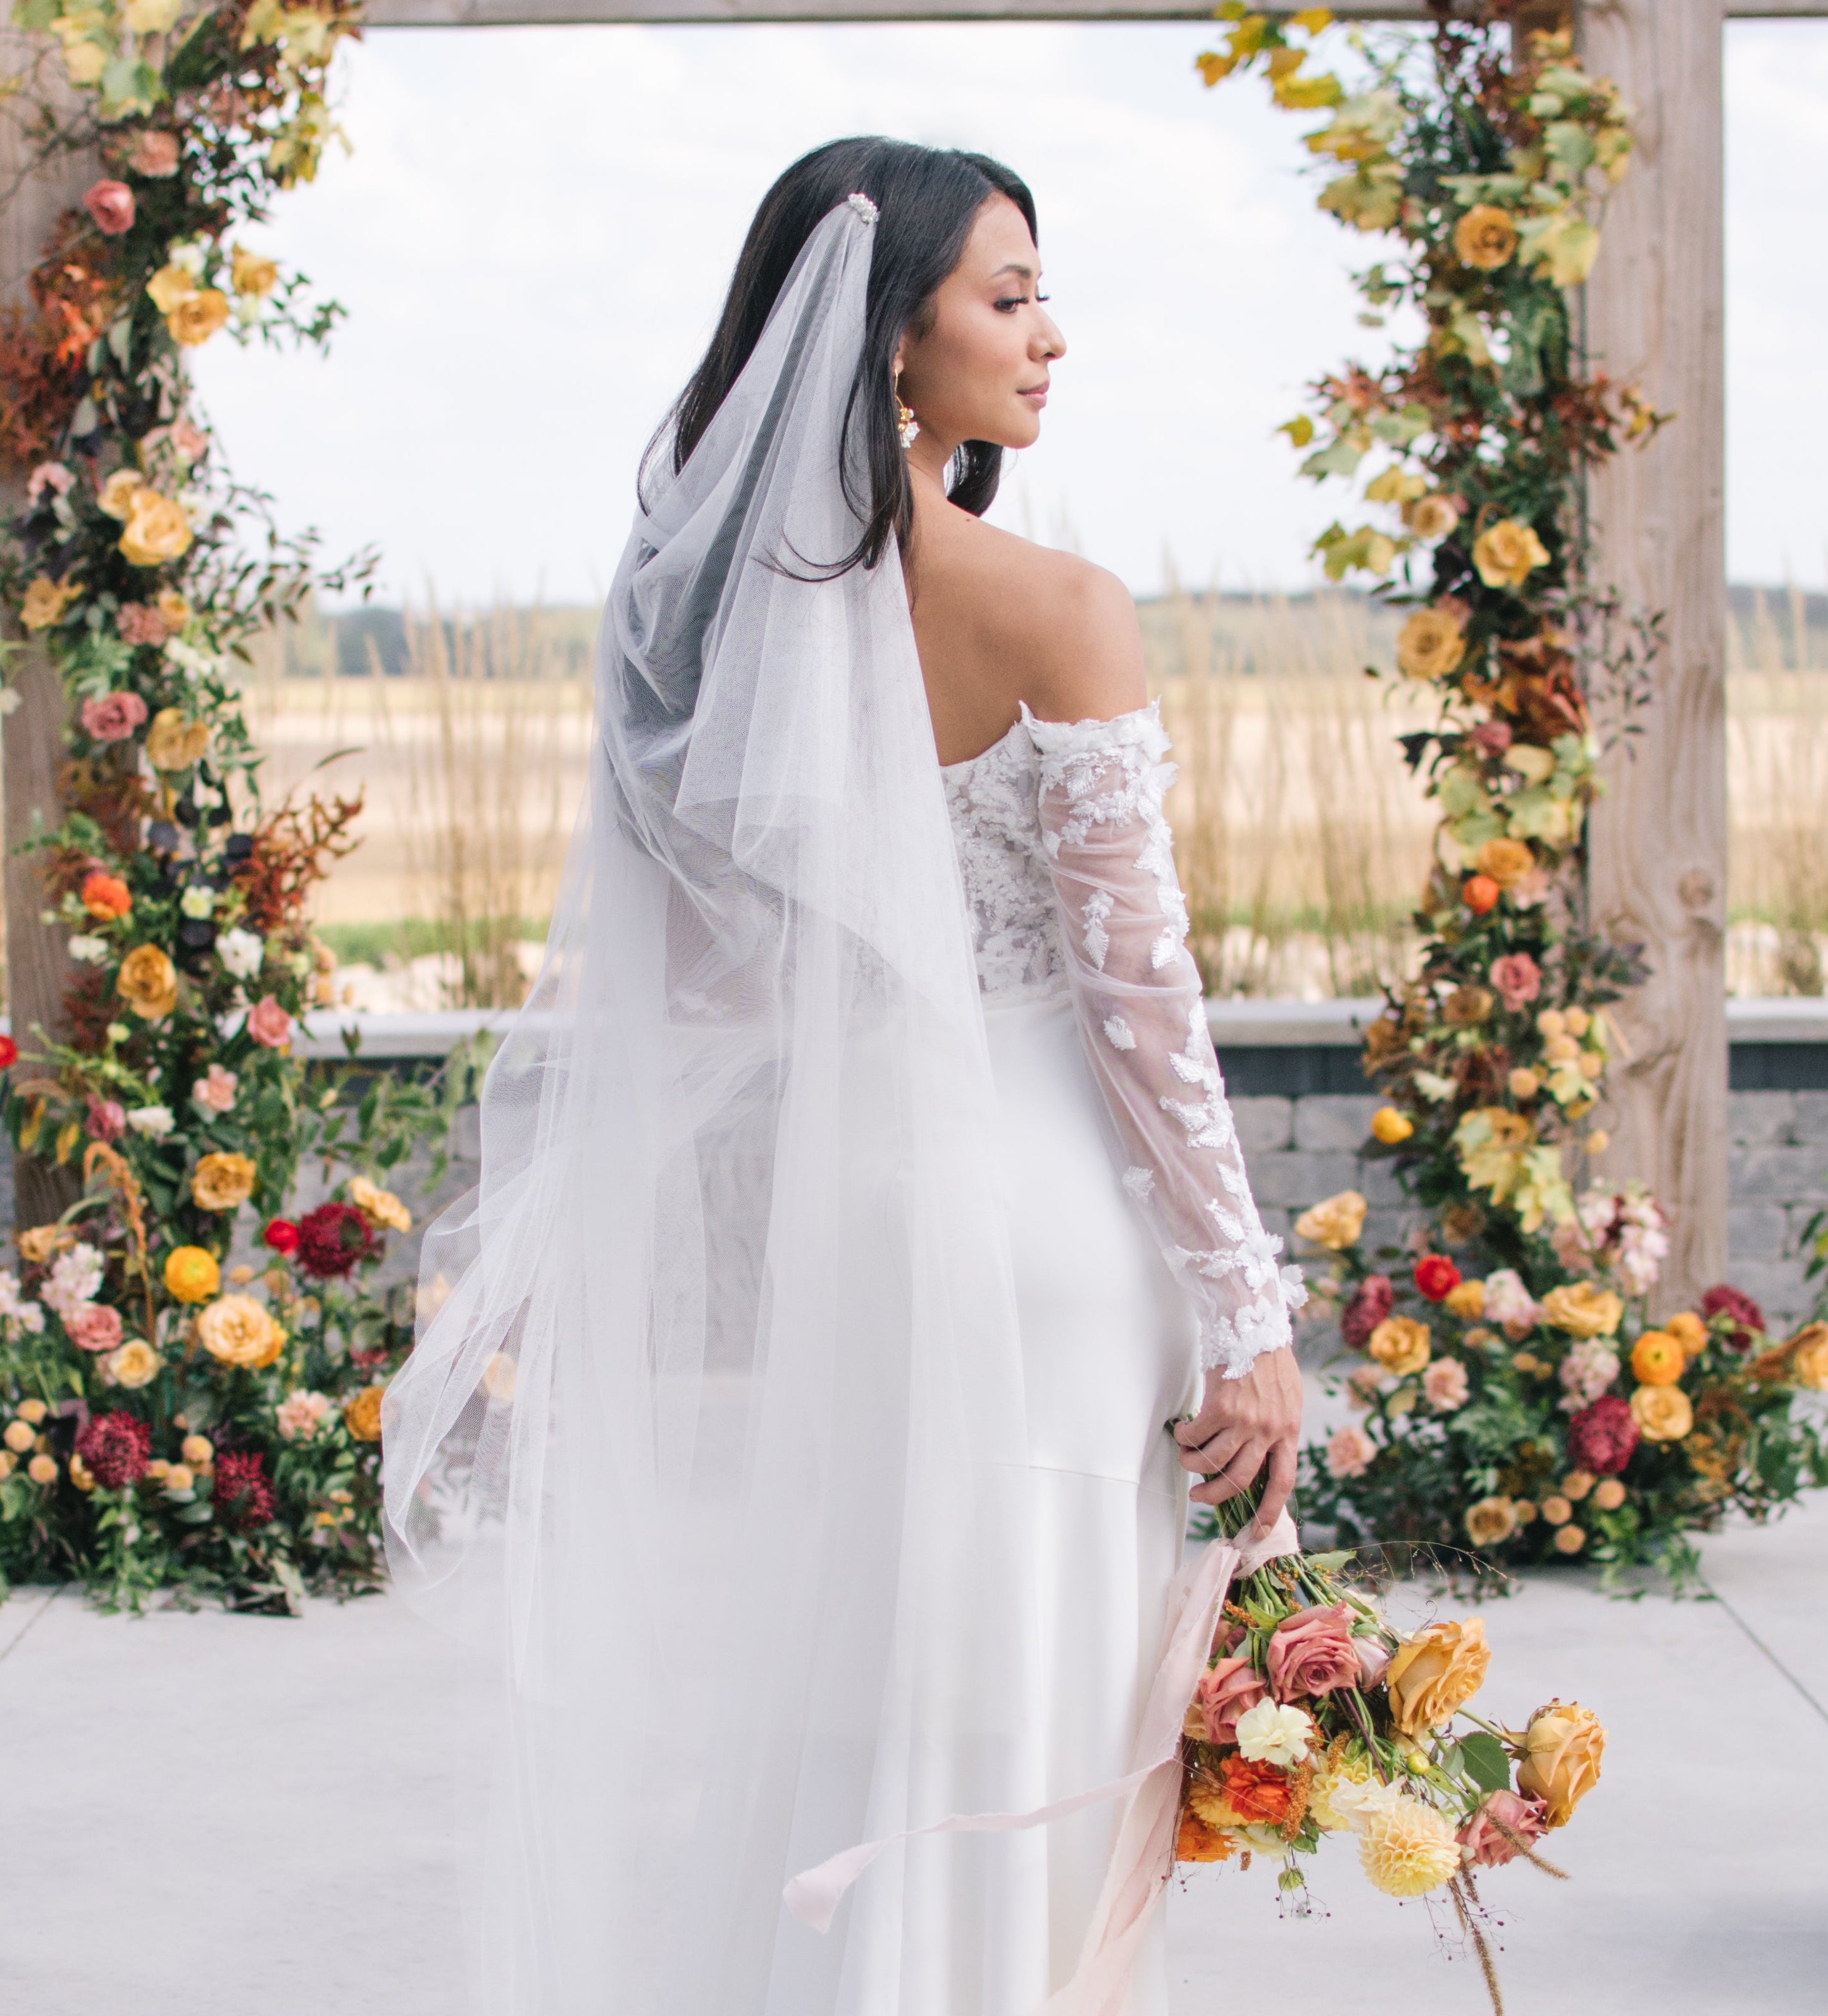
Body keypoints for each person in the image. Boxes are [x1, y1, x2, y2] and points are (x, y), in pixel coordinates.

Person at [384, 136, 1305, 2016]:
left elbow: (714, 971)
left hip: (867, 1207)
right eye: (1007, 295)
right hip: (1047, 1218)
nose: (1050, 336)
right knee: (1037, 1712)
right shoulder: (1059, 606)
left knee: (889, 1693)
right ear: (894, 348)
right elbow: (1144, 1010)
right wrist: (1248, 1311)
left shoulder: (717, 622)